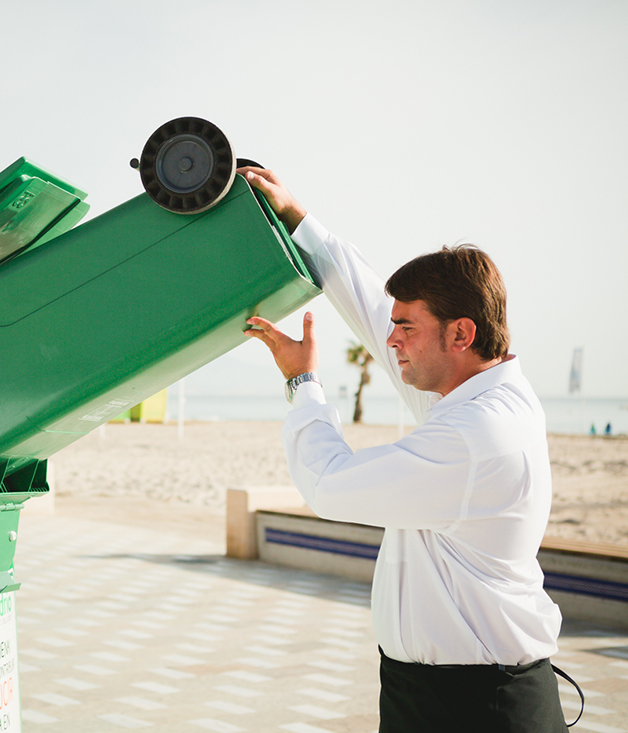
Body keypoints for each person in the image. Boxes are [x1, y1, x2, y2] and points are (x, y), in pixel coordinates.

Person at [239, 166, 571, 732]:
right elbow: (373, 309)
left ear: (460, 334)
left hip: (477, 707)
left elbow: (328, 486)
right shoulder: (473, 392)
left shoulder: (476, 432)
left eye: (408, 328)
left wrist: (303, 384)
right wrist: (296, 216)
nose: (391, 340)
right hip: (426, 695)